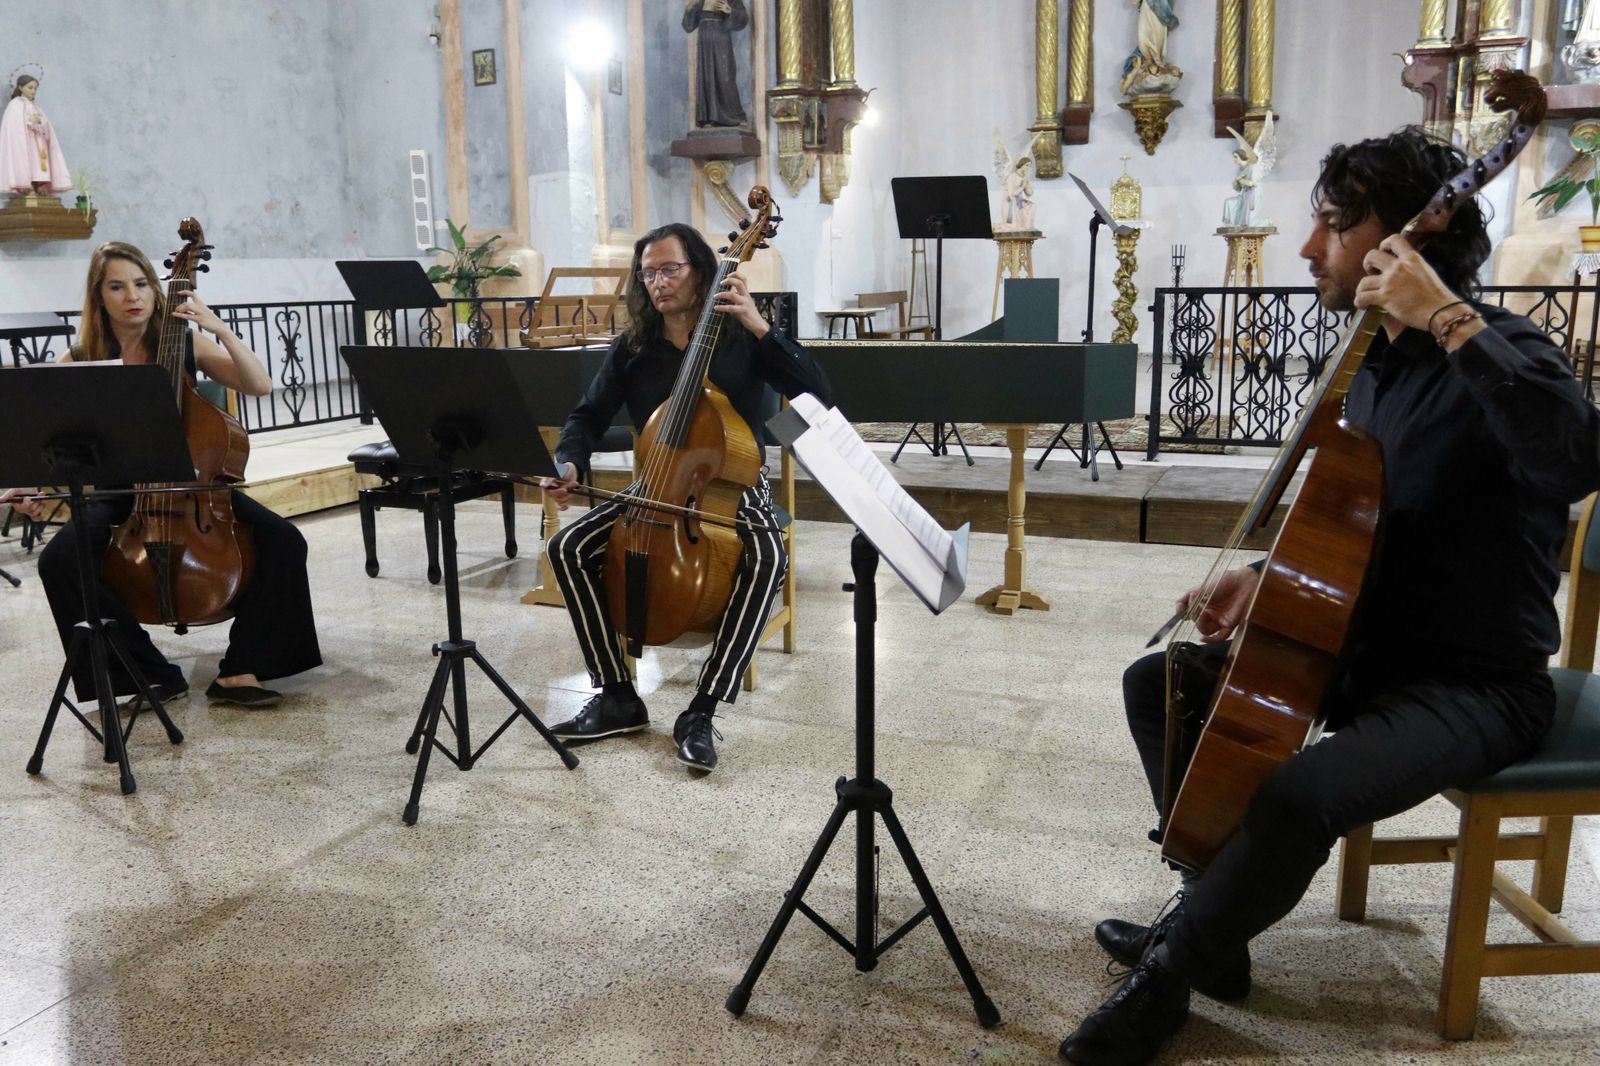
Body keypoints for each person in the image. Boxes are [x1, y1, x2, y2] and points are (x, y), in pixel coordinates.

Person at [1059, 128, 1600, 1065]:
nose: (1311, 249)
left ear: (1406, 248)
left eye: (1335, 227)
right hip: (1366, 654)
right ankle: (1215, 927)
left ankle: (1172, 975)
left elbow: (1577, 457)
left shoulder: (1500, 347)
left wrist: (1448, 317)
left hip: (1475, 684)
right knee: (1162, 685)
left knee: (1298, 793)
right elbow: (1365, 529)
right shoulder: (1374, 374)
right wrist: (1265, 575)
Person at [539, 222, 830, 773]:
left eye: (670, 269)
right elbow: (588, 415)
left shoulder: (741, 337)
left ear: (701, 271)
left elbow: (818, 392)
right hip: (655, 486)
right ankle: (617, 694)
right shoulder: (635, 346)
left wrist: (761, 326)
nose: (658, 282)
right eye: (648, 273)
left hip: (736, 482)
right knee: (567, 547)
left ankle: (702, 709)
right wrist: (569, 462)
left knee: (769, 558)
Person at [1, 242, 321, 710]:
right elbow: (51, 434)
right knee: (60, 561)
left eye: (141, 284)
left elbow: (260, 384)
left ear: (157, 289)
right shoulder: (83, 357)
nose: (133, 296)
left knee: (284, 540)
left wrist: (219, 329)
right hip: (120, 491)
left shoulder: (185, 342)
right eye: (117, 286)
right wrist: (35, 484)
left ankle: (243, 667)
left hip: (192, 488)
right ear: (99, 296)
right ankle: (148, 674)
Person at [0, 73, 71, 196]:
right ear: (20, 87)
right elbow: (14, 124)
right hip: (25, 142)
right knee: (28, 163)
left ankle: (39, 185)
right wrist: (29, 120)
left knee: (38, 164)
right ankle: (27, 186)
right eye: (30, 87)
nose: (33, 91)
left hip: (38, 142)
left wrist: (40, 121)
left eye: (35, 88)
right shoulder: (15, 104)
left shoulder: (35, 106)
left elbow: (45, 122)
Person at [683, 0, 749, 128]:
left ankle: (736, 116)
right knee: (707, 77)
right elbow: (688, 26)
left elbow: (743, 18)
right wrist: (689, 9)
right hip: (704, 39)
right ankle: (710, 117)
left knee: (725, 77)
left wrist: (730, 11)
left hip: (721, 36)